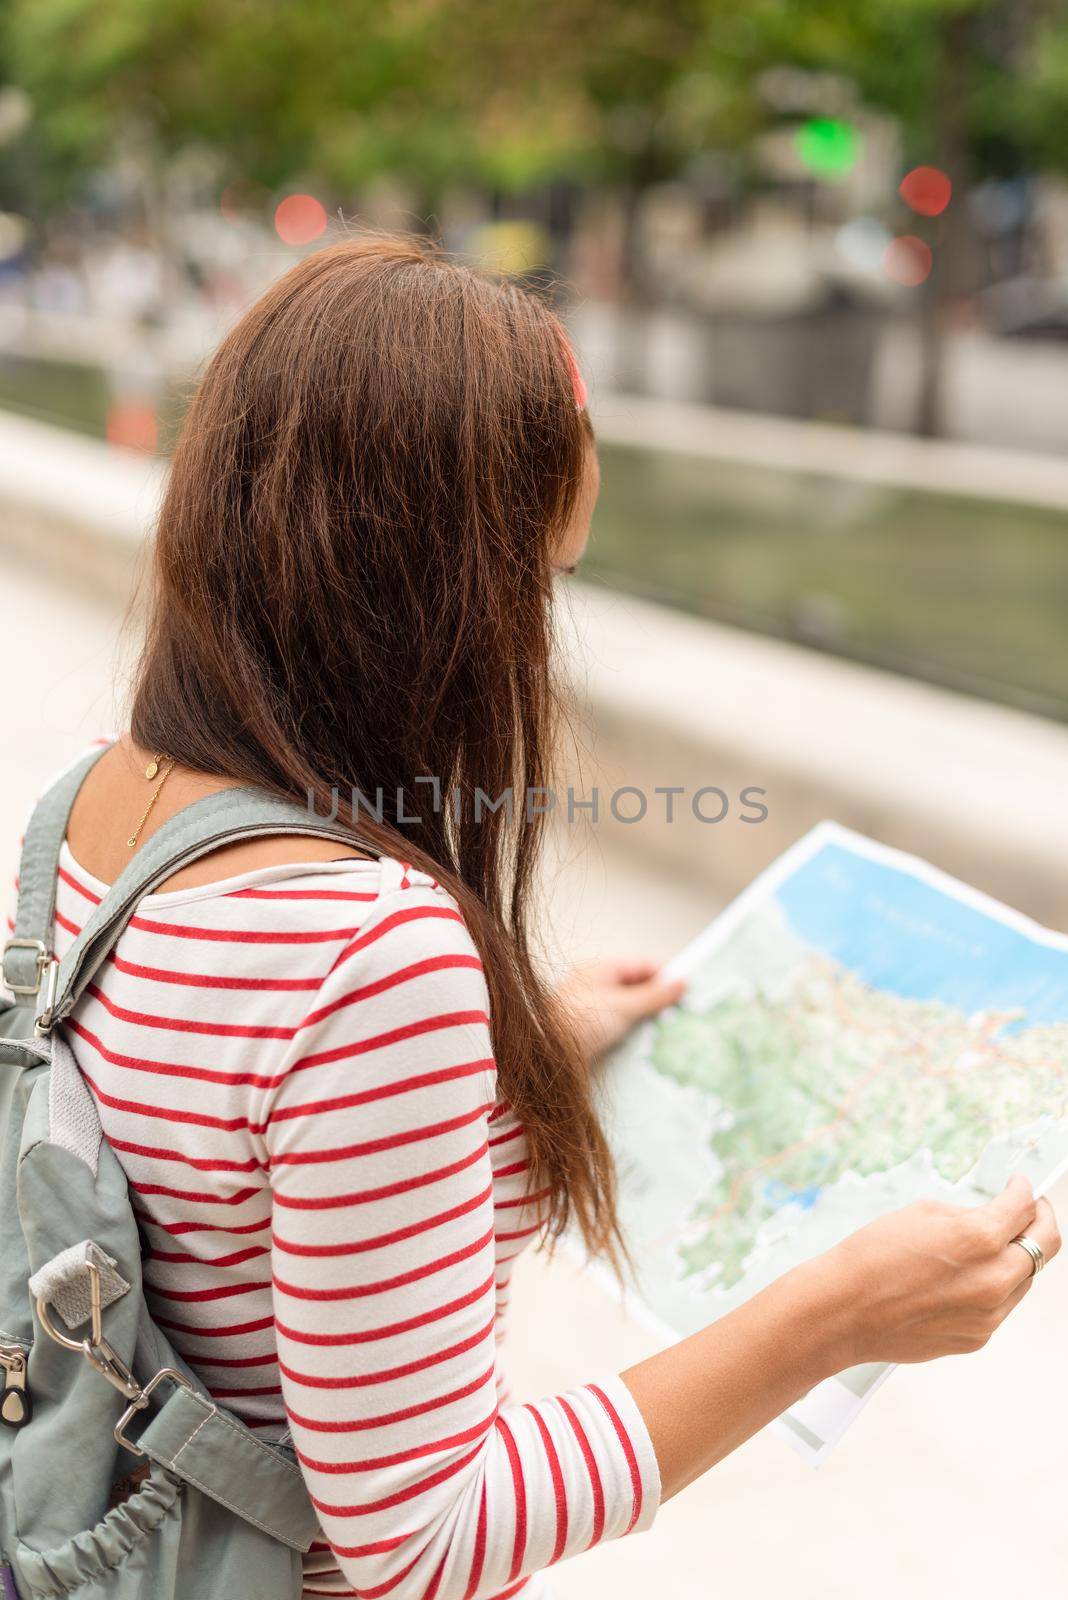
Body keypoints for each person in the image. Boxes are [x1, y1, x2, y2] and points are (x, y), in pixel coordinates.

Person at [23, 236, 1058, 1599]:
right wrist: (835, 1314)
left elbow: (227, 1182)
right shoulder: (373, 954)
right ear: (447, 592)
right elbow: (414, 1539)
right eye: (537, 581)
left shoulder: (96, 796)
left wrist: (528, 1049)